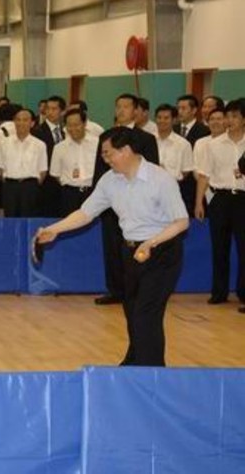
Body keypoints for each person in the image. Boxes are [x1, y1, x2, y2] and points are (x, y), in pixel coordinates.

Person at [37, 127, 189, 366]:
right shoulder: (109, 181)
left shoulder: (160, 179)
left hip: (161, 252)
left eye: (109, 154)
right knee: (132, 310)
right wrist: (54, 229)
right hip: (130, 252)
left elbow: (181, 222)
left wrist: (152, 242)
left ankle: (150, 371)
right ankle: (137, 361)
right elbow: (86, 212)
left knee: (146, 313)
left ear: (126, 150)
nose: (105, 160)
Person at [92, 93, 160, 306]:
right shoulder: (105, 138)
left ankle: (138, 291)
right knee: (112, 248)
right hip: (112, 203)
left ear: (136, 111)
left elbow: (153, 171)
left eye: (126, 106)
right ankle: (115, 290)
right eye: (118, 106)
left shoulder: (146, 139)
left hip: (138, 205)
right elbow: (99, 170)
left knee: (136, 247)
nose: (121, 110)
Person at [195, 99, 245, 307]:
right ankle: (219, 292)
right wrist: (199, 202)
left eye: (235, 116)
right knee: (219, 248)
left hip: (243, 199)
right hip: (220, 199)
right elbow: (204, 175)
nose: (229, 120)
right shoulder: (213, 145)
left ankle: (243, 293)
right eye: (228, 116)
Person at [0, 107, 48, 218]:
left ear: (32, 123)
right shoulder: (4, 143)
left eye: (25, 120)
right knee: (10, 219)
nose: (21, 123)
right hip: (10, 186)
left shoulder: (40, 145)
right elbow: (0, 166)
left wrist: (32, 185)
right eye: (18, 119)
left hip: (30, 187)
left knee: (28, 219)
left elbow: (43, 170)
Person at [50, 109, 97, 216]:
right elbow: (55, 173)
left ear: (85, 124)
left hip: (92, 192)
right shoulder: (59, 148)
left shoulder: (97, 144)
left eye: (76, 125)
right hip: (69, 195)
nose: (73, 129)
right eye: (69, 125)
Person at [154, 104, 195, 214]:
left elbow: (186, 171)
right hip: (149, 193)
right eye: (159, 117)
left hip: (173, 192)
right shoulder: (148, 140)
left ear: (174, 120)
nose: (162, 121)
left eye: (166, 118)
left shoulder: (183, 144)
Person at [33, 95, 66, 217]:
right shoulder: (37, 132)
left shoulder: (66, 131)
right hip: (46, 183)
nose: (50, 112)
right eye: (48, 109)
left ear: (62, 111)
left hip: (63, 181)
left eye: (54, 109)